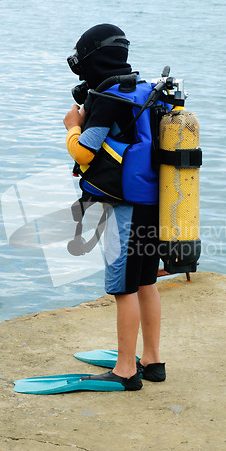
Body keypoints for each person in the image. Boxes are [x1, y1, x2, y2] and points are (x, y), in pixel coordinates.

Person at [63, 24, 166, 391]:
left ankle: (125, 370)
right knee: (146, 282)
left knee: (124, 288)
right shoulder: (142, 90)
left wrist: (72, 126)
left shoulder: (108, 97)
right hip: (155, 203)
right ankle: (152, 360)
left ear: (91, 58)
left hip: (122, 208)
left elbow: (84, 151)